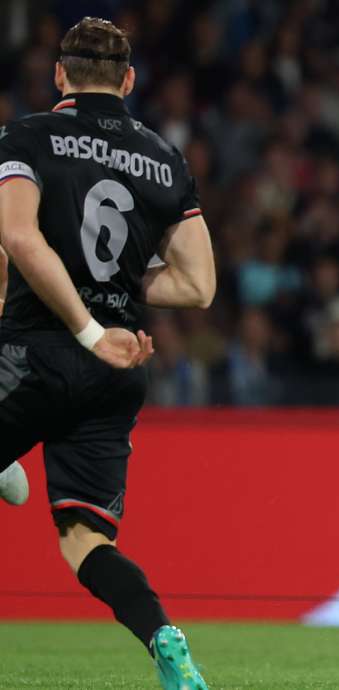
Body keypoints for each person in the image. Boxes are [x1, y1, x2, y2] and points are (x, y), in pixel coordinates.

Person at [0, 18, 214, 689]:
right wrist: (112, 299)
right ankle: (164, 637)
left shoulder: (26, 136)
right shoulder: (164, 157)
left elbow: (17, 236)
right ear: (127, 80)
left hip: (38, 351)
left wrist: (86, 324)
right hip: (115, 369)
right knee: (85, 539)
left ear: (60, 74)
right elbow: (198, 285)